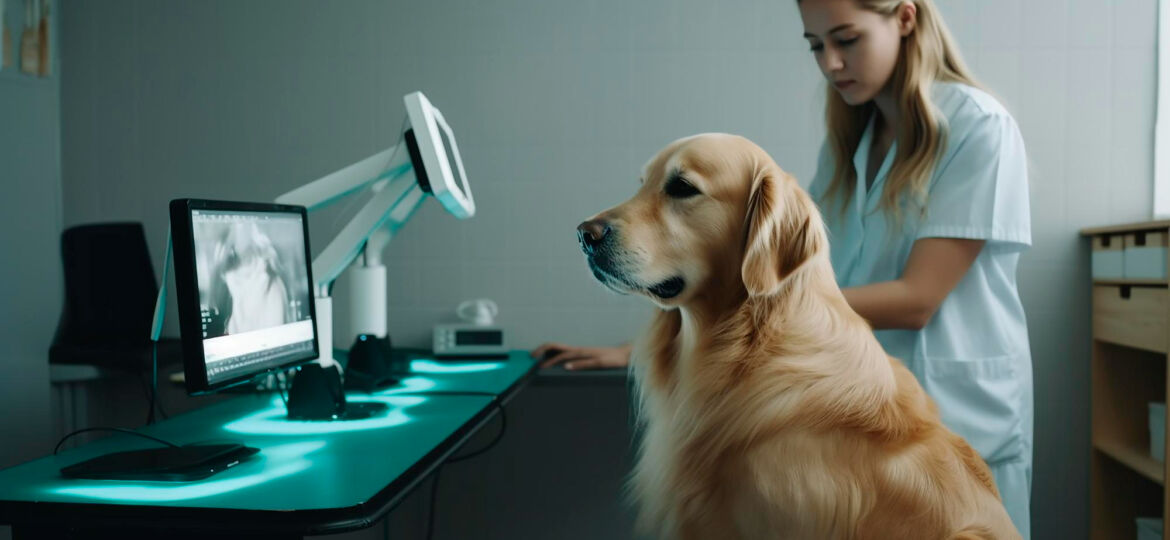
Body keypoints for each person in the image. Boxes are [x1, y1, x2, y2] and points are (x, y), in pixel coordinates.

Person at [532, 0, 1033, 537]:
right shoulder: (851, 145)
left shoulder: (979, 126)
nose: (831, 63)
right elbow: (769, 279)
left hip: (946, 414)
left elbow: (914, 298)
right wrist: (643, 350)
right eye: (816, 45)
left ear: (905, 18)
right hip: (835, 400)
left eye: (847, 39)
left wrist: (744, 305)